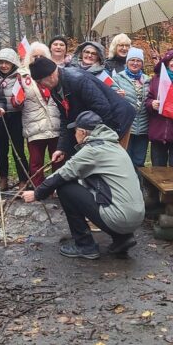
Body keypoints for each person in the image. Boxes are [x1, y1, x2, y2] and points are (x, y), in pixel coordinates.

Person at [22, 111, 144, 259]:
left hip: (119, 217)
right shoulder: (113, 146)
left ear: (82, 132)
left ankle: (85, 246)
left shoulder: (93, 151)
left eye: (75, 132)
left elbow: (63, 174)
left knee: (66, 188)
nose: (75, 135)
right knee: (85, 186)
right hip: (136, 216)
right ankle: (123, 239)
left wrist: (37, 193)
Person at [29, 56, 135, 162]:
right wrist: (62, 148)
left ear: (51, 75)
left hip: (118, 119)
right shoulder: (54, 88)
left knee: (113, 162)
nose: (39, 86)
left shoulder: (78, 80)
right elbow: (66, 118)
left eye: (39, 82)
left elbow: (103, 110)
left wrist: (103, 141)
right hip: (100, 120)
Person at [17, 42, 62, 187]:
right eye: (34, 56)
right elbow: (16, 99)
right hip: (34, 124)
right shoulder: (22, 76)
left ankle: (57, 187)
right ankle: (38, 188)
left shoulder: (55, 74)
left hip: (55, 122)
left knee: (58, 158)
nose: (37, 58)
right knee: (36, 161)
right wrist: (17, 99)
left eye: (40, 56)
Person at [0, 48, 29, 190]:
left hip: (16, 115)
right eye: (1, 62)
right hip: (0, 115)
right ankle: (3, 178)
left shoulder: (20, 76)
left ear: (13, 63)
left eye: (7, 62)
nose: (4, 65)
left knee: (18, 148)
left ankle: (23, 179)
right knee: (1, 149)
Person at [111, 47, 151, 167]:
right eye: (132, 60)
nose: (135, 63)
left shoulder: (148, 80)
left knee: (139, 162)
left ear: (142, 63)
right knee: (125, 161)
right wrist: (117, 96)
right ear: (127, 62)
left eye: (138, 61)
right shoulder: (117, 78)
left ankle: (138, 185)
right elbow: (110, 100)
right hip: (126, 127)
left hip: (143, 128)